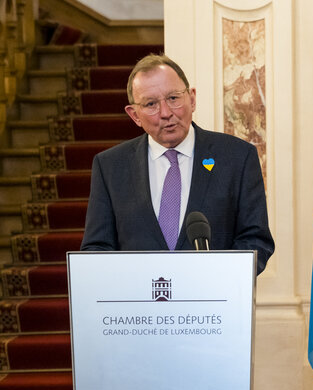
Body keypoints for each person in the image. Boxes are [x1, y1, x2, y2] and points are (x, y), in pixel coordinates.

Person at [80, 54, 274, 274]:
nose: (166, 113)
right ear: (134, 115)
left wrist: (221, 281)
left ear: (191, 99)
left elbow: (255, 239)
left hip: (213, 303)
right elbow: (97, 248)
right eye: (151, 104)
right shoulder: (110, 167)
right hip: (139, 304)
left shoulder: (237, 157)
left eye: (173, 98)